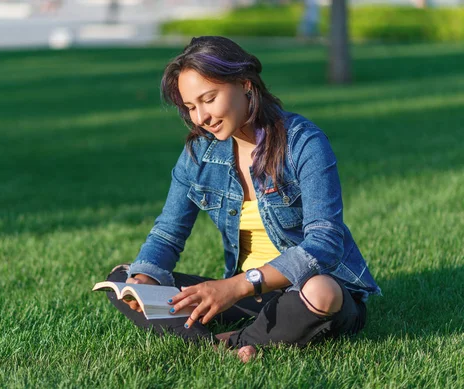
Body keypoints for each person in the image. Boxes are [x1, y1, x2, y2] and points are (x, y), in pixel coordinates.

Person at [104, 36, 381, 362]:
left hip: (303, 287)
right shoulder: (199, 154)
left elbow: (325, 243)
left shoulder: (303, 143)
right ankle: (221, 343)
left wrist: (236, 286)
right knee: (120, 279)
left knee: (322, 291)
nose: (201, 118)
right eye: (191, 107)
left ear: (245, 85)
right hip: (246, 295)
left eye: (209, 99)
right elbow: (168, 232)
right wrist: (144, 281)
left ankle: (237, 340)